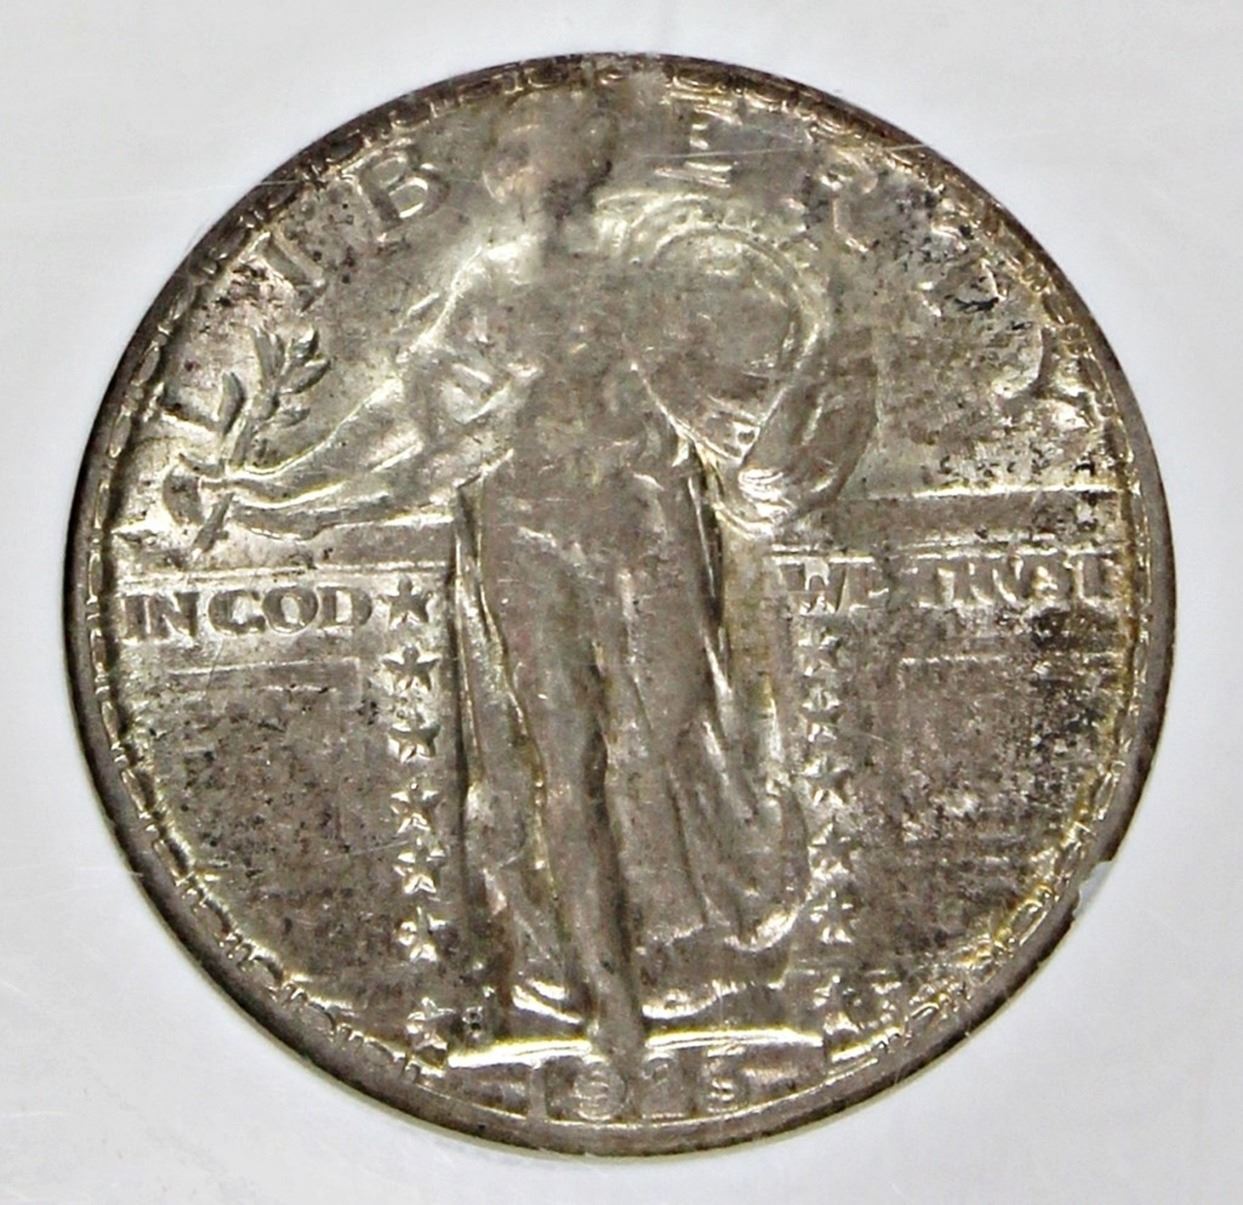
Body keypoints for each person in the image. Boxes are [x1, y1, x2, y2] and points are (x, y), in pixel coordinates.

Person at [202, 88, 878, 1064]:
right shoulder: (491, 284)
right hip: (530, 531)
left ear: (586, 164)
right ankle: (609, 995)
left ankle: (679, 962)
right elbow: (406, 415)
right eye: (522, 156)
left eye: (550, 153)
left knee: (661, 734)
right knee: (566, 757)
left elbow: (724, 401)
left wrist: (816, 374)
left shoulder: (647, 271)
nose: (534, 175)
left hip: (639, 526)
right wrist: (282, 489)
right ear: (507, 176)